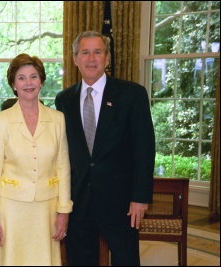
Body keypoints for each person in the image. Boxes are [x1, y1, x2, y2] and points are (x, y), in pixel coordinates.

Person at [55, 31, 155, 266]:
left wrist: (140, 197)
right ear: (75, 59)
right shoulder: (64, 100)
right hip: (78, 201)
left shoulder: (132, 94)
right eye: (85, 52)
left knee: (126, 259)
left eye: (98, 52)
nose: (91, 58)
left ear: (107, 58)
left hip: (121, 202)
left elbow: (144, 148)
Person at [0, 53, 73, 266]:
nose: (28, 83)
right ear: (13, 84)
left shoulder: (58, 119)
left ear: (41, 81)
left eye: (33, 76)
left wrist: (64, 212)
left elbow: (63, 168)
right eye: (21, 78)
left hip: (46, 211)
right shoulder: (0, 121)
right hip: (10, 211)